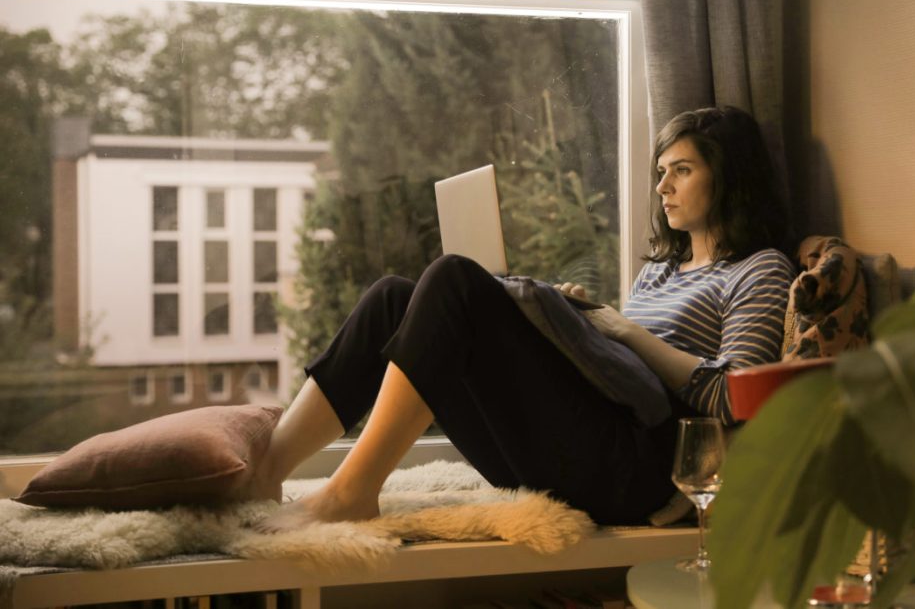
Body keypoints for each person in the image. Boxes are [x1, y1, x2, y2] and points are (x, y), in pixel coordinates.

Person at [252, 105, 795, 532]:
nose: (662, 187)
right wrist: (576, 325)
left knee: (454, 278)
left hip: (642, 473)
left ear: (728, 178)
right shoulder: (660, 271)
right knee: (394, 297)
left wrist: (624, 331)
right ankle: (267, 473)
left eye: (682, 170)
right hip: (592, 442)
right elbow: (631, 374)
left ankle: (353, 491)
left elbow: (736, 397)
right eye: (661, 172)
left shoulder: (761, 268)